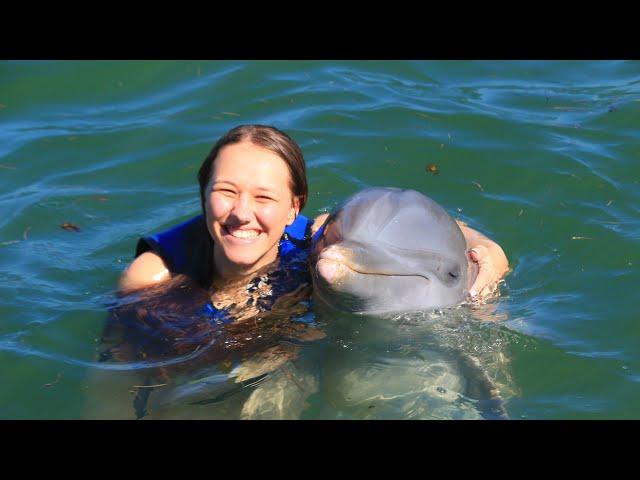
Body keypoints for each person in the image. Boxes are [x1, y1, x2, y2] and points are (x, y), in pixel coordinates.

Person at [120, 124, 509, 306]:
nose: (242, 213)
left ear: (295, 207)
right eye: (226, 192)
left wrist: (485, 248)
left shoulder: (317, 241)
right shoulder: (153, 277)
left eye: (264, 197)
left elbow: (417, 224)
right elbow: (119, 380)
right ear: (203, 195)